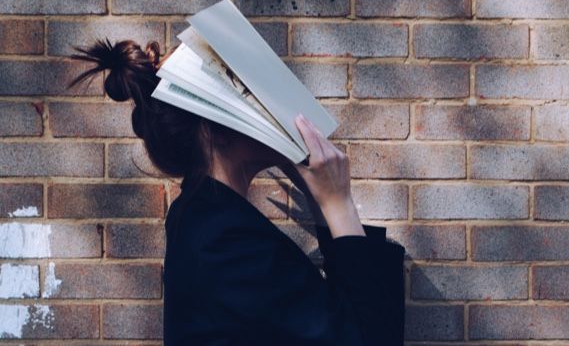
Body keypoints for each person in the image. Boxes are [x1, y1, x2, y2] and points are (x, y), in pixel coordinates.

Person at [67, 38, 406, 345]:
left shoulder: (208, 222)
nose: (271, 110)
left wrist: (320, 196)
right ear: (215, 129)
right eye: (249, 99)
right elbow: (366, 338)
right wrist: (338, 203)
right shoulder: (223, 241)